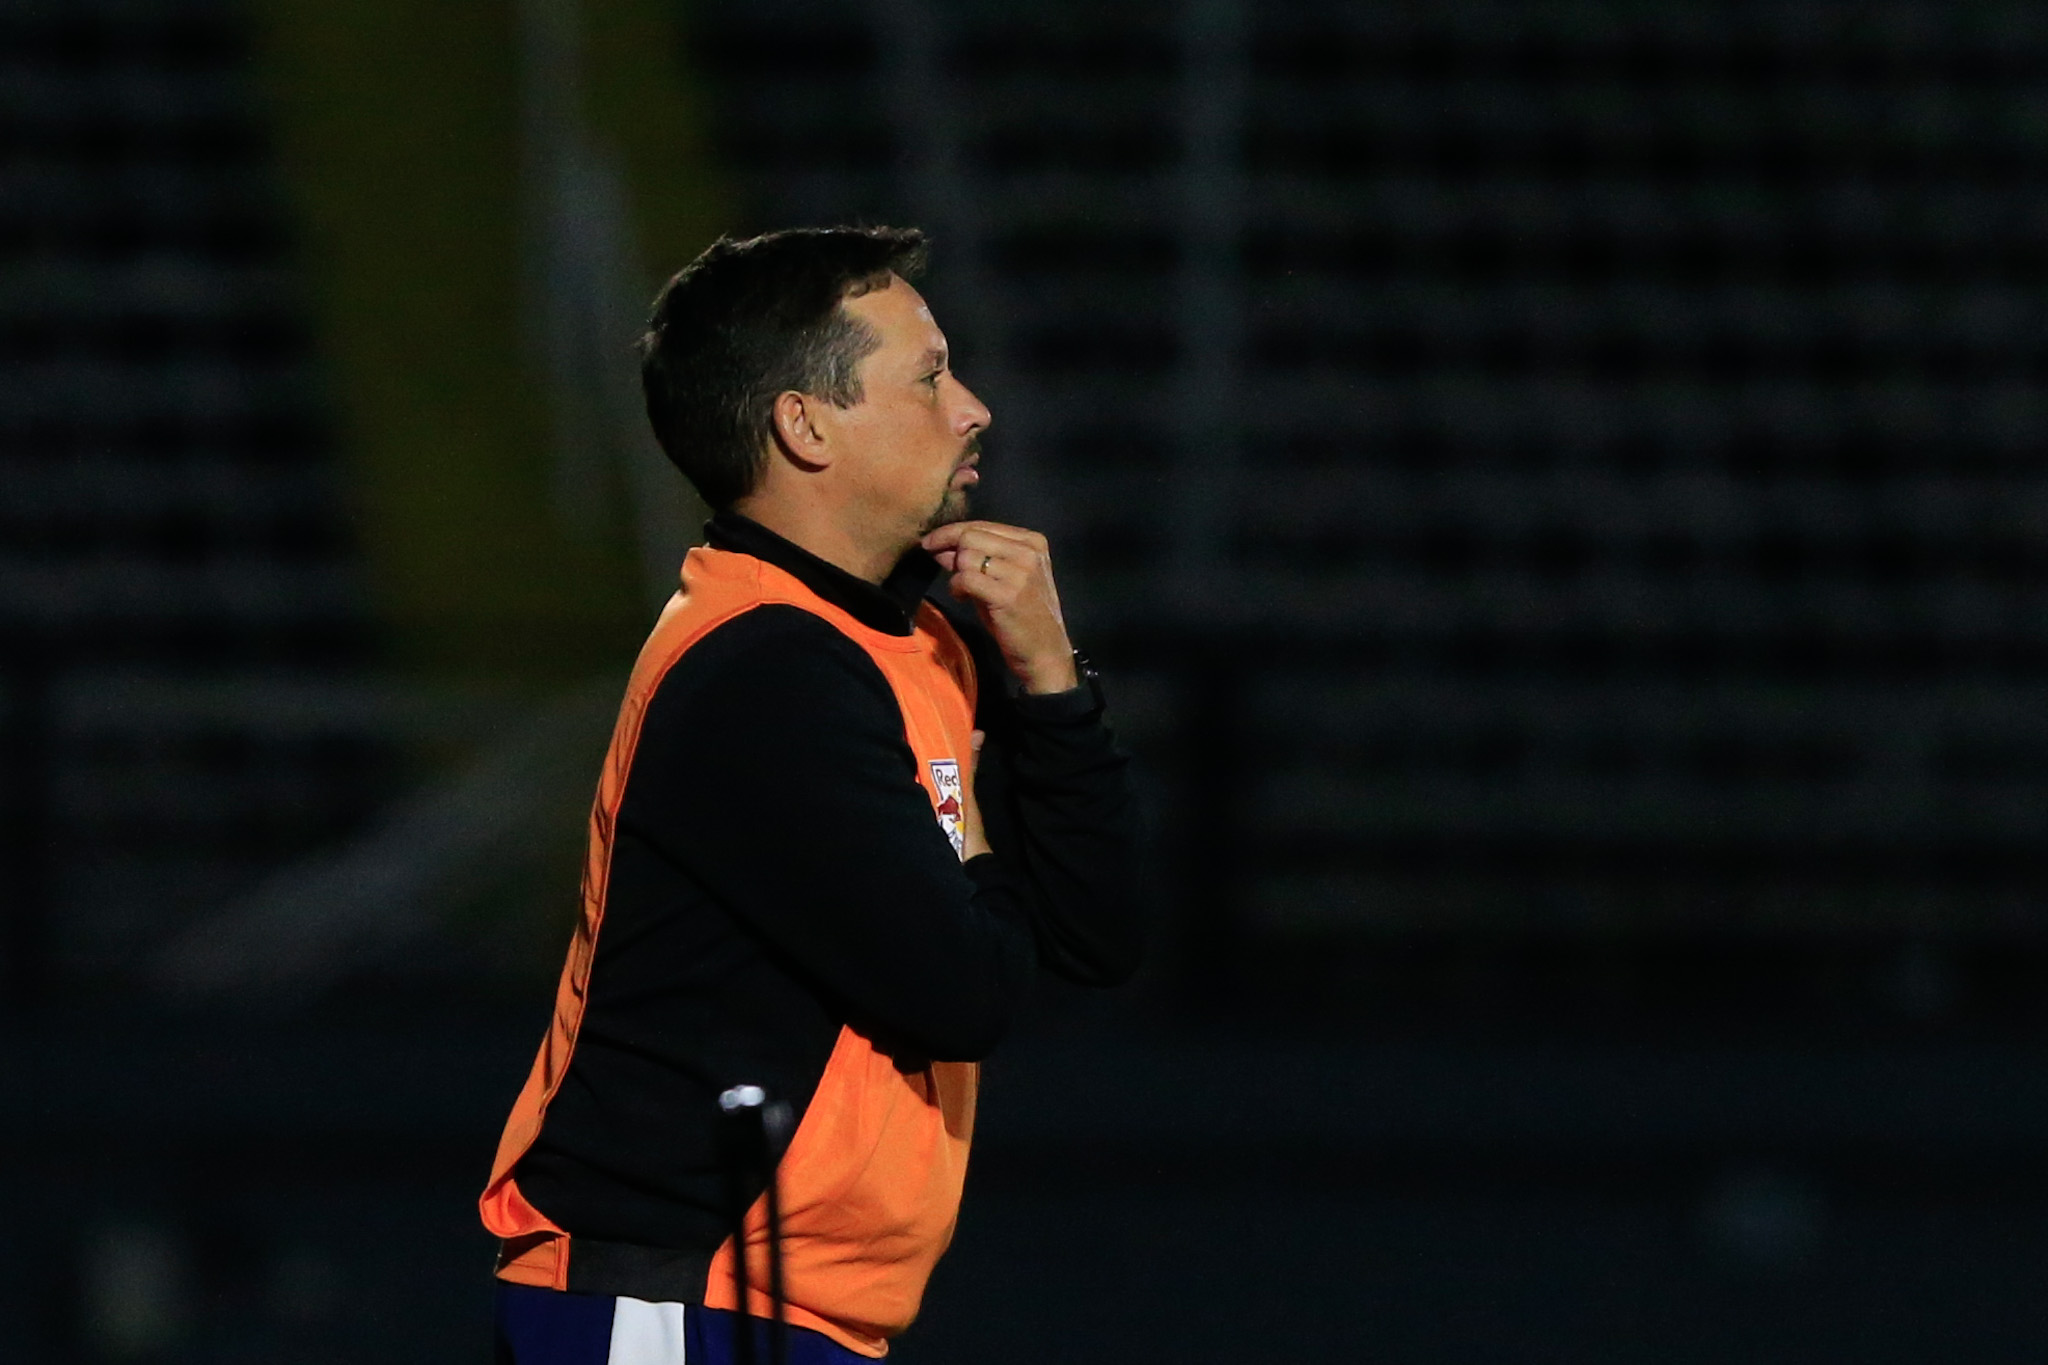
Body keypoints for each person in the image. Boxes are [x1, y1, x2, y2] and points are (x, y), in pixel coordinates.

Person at [480, 226, 1146, 1364]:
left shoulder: (906, 643)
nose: (971, 407)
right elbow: (963, 989)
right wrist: (980, 838)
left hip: (773, 1304)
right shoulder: (763, 671)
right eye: (930, 376)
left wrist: (1049, 686)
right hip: (673, 1296)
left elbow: (1097, 934)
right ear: (804, 424)